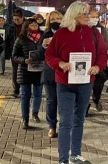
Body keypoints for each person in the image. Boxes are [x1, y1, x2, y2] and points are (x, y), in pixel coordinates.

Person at [45, 1, 108, 164]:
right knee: (65, 121)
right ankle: (63, 158)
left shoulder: (95, 33)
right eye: (84, 14)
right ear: (74, 15)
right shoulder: (61, 34)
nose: (88, 17)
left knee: (79, 119)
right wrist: (60, 64)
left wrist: (97, 67)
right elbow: (50, 55)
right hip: (65, 83)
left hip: (86, 83)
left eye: (88, 13)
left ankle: (76, 154)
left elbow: (102, 54)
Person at [12, 18, 44, 129]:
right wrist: (24, 60)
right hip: (25, 71)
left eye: (36, 24)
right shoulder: (21, 38)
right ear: (26, 26)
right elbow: (14, 55)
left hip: (39, 71)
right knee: (25, 95)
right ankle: (25, 118)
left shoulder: (43, 37)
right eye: (32, 25)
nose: (35, 26)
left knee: (38, 94)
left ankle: (35, 113)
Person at [38, 10, 63, 138]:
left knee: (64, 101)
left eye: (58, 19)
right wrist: (43, 46)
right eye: (52, 19)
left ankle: (65, 126)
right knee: (51, 100)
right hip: (50, 73)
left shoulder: (67, 33)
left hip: (64, 72)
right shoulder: (45, 34)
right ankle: (52, 126)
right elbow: (38, 54)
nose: (55, 21)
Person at [88, 10, 108, 113]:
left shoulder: (101, 29)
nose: (94, 19)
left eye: (96, 17)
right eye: (92, 16)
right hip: (86, 62)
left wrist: (100, 46)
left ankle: (96, 98)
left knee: (98, 84)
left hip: (98, 63)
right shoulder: (82, 29)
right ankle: (85, 107)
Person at [11, 9, 25, 98]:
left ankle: (25, 89)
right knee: (15, 71)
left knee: (25, 71)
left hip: (25, 51)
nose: (16, 21)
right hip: (15, 52)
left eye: (18, 19)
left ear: (22, 18)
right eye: (14, 19)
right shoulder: (12, 27)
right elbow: (8, 40)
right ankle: (16, 89)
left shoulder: (27, 26)